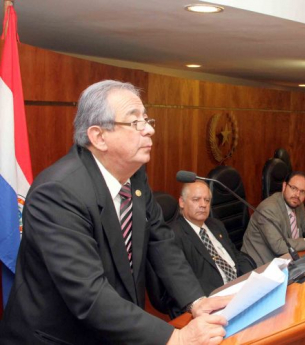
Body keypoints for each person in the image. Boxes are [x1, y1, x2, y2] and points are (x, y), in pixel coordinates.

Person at [0, 80, 230, 345]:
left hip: (114, 330)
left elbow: (160, 241)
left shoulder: (135, 175)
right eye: (135, 122)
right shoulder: (57, 193)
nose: (150, 129)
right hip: (59, 338)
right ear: (98, 136)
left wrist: (196, 301)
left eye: (147, 119)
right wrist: (175, 338)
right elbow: (88, 293)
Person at [170, 181, 255, 306]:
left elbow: (236, 256)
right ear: (182, 202)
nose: (203, 205)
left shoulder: (215, 225)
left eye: (207, 200)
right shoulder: (173, 235)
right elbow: (184, 282)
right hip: (214, 299)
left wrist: (250, 279)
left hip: (241, 288)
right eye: (196, 199)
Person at [241, 171, 305, 267]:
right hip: (261, 267)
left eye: (302, 192)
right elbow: (279, 246)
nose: (297, 195)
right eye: (294, 188)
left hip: (287, 261)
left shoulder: (297, 204)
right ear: (284, 186)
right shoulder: (268, 209)